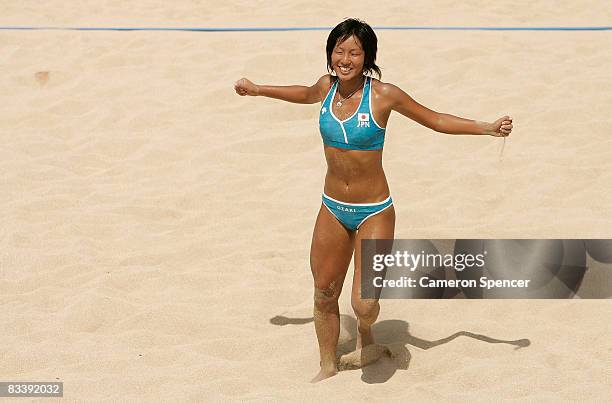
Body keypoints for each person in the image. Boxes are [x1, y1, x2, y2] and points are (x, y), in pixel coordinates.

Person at [234, 18, 513, 383]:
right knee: (323, 292)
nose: (344, 59)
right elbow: (302, 92)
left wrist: (486, 127)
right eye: (338, 50)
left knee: (363, 306)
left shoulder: (383, 95)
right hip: (332, 208)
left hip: (374, 211)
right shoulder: (326, 87)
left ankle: (366, 332)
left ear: (367, 58)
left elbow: (434, 119)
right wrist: (257, 90)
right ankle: (328, 365)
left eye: (353, 52)